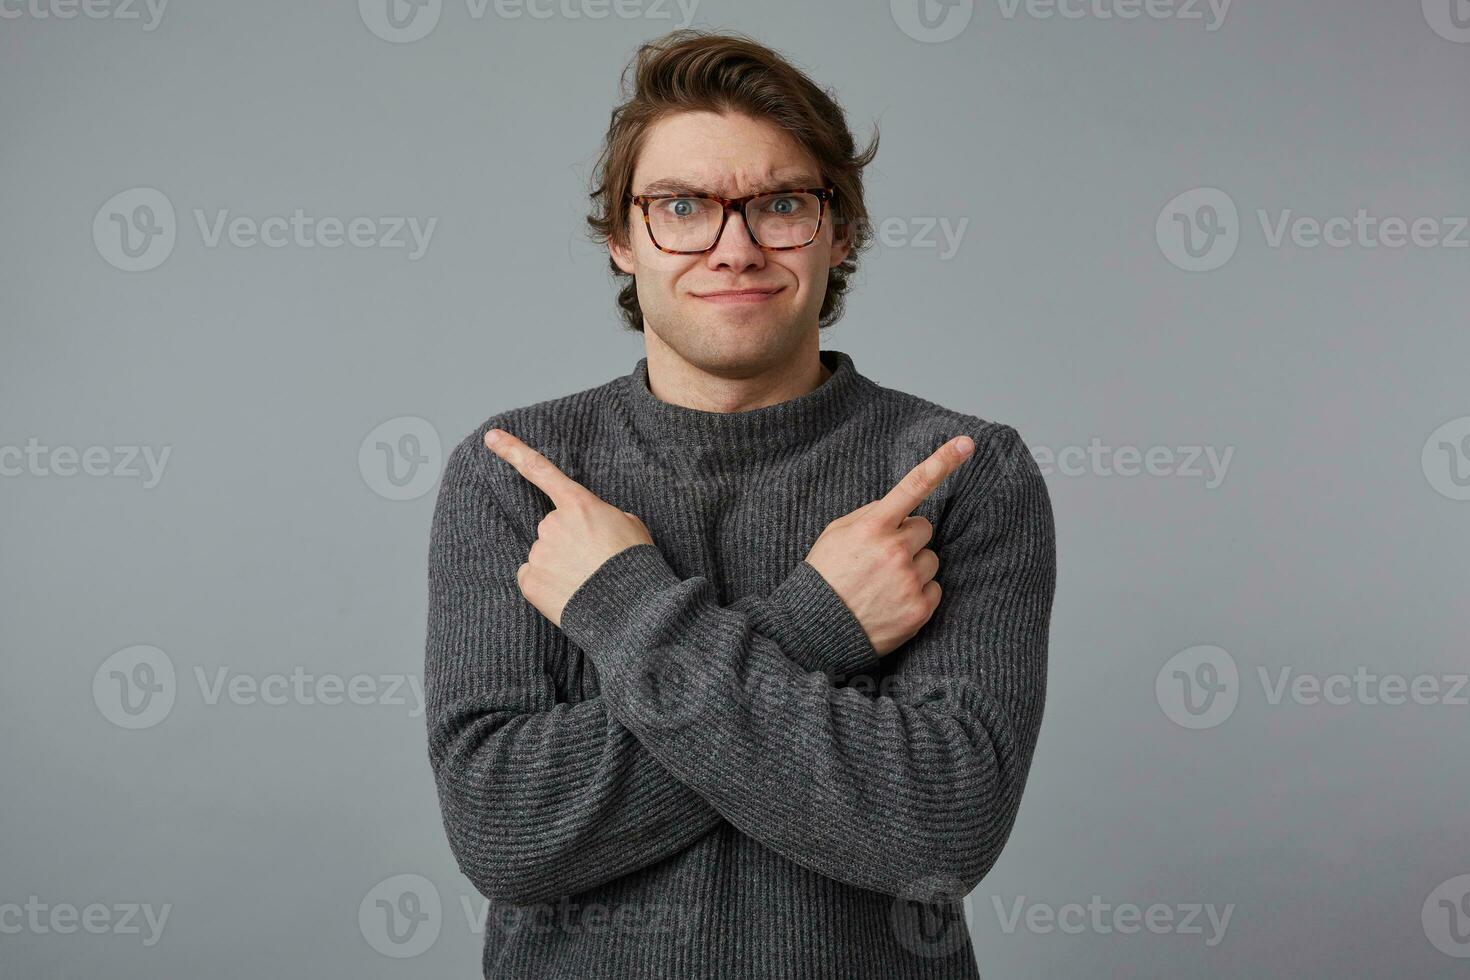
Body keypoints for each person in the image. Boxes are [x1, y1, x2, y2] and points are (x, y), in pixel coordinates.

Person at [424, 28, 1057, 980]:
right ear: (621, 239)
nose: (736, 247)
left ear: (839, 231)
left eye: (781, 205)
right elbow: (508, 834)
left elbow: (942, 828)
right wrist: (822, 624)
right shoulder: (518, 474)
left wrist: (620, 606)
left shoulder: (960, 472)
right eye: (683, 206)